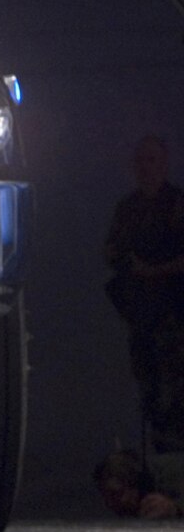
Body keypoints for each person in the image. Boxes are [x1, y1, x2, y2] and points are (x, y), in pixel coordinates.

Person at [104, 134, 184, 454]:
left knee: (175, 391)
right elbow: (110, 251)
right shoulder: (128, 208)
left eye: (152, 160)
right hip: (142, 314)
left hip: (174, 314)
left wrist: (155, 269)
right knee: (149, 390)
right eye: (141, 161)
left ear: (164, 163)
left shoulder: (177, 205)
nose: (146, 167)